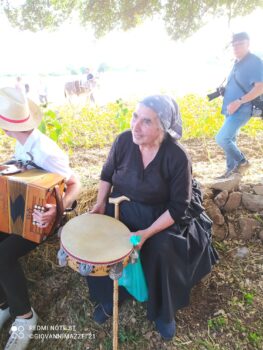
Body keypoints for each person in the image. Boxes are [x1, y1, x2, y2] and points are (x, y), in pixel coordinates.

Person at [86, 95, 218, 340]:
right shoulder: (124, 141)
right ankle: (110, 297)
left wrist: (145, 234)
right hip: (122, 207)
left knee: (161, 249)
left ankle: (163, 312)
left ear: (163, 127)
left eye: (146, 121)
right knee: (99, 239)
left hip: (161, 215)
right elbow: (106, 173)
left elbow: (179, 206)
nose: (135, 126)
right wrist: (100, 203)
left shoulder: (176, 156)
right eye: (135, 116)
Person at [0, 87, 81, 350]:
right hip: (20, 215)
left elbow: (75, 183)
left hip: (42, 221)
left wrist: (58, 209)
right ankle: (5, 304)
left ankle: (25, 316)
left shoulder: (46, 149)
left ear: (8, 126)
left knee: (3, 255)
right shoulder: (22, 142)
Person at [216, 32, 263, 178]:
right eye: (234, 45)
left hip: (243, 109)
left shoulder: (254, 62)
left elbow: (260, 87)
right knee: (231, 139)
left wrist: (239, 101)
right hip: (231, 109)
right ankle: (231, 172)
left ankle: (243, 162)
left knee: (222, 138)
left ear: (248, 44)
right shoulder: (237, 62)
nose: (236, 47)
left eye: (240, 44)